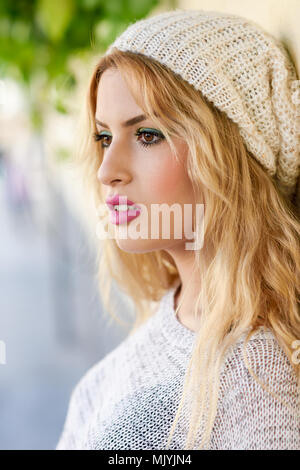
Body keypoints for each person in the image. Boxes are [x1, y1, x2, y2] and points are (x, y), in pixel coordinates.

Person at [55, 9, 300, 450]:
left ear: (227, 155)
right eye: (104, 137)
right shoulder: (164, 331)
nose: (107, 170)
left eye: (147, 134)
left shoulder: (261, 387)